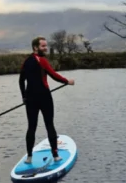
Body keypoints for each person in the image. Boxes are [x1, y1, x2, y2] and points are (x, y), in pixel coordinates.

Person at [18, 36, 74, 164]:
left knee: (31, 127)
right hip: (44, 97)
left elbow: (21, 81)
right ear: (35, 47)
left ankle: (29, 157)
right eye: (43, 46)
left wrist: (24, 97)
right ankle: (55, 156)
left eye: (46, 45)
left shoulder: (26, 61)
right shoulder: (41, 60)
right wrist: (67, 81)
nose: (46, 48)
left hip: (30, 99)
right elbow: (53, 75)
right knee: (49, 125)